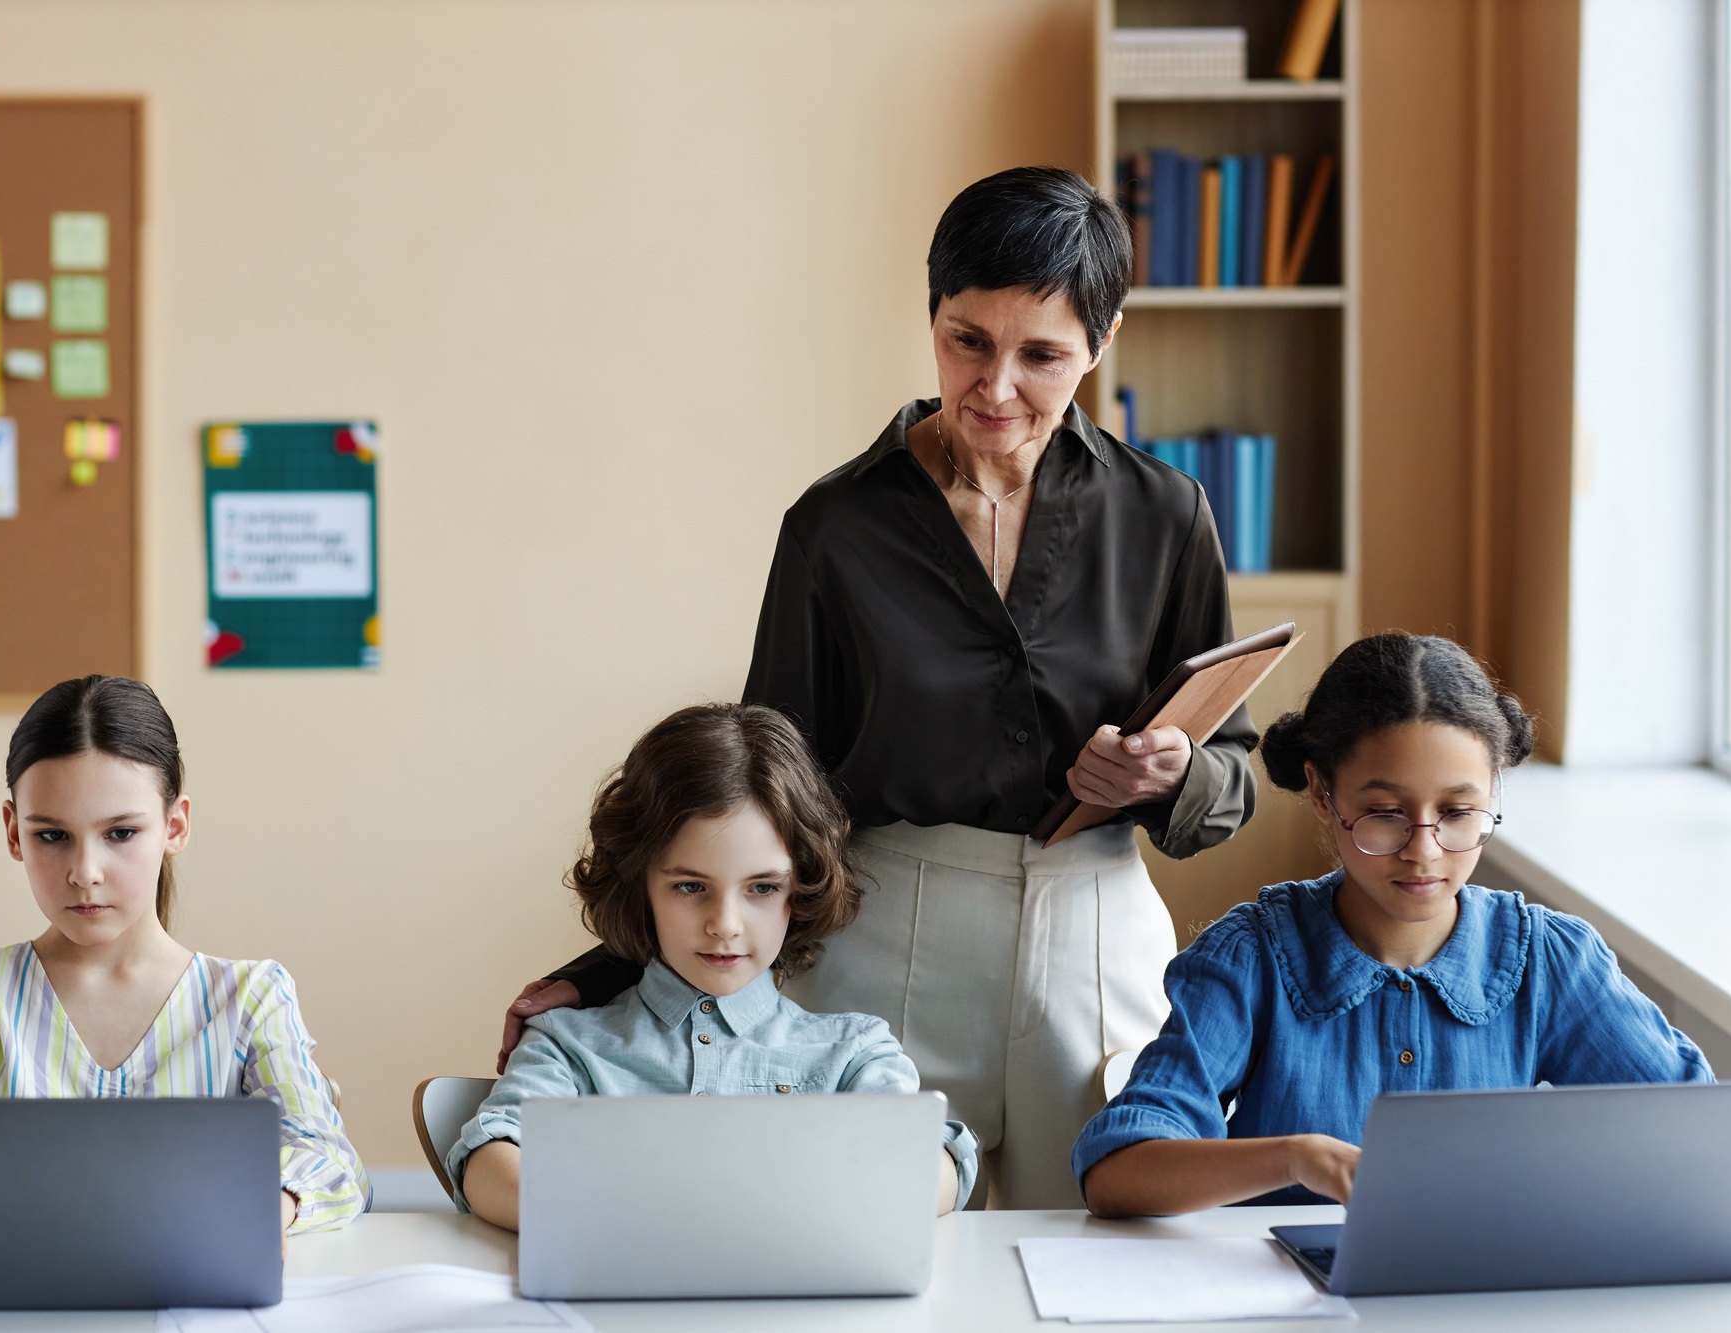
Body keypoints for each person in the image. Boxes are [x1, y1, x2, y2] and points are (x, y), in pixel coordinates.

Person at [501, 166, 1253, 1208]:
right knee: (869, 1248)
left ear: (1102, 340)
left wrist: (1170, 775)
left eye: (1039, 355)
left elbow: (1234, 775)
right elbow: (753, 792)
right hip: (881, 933)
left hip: (1094, 936)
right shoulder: (833, 528)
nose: (994, 387)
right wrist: (607, 970)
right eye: (965, 341)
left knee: (1097, 1262)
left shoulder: (1165, 514)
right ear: (931, 317)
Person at [1073, 634, 1713, 1217]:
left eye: (1460, 812)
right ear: (1323, 794)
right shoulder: (1252, 957)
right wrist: (1297, 1158)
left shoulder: (1550, 960)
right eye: (1384, 812)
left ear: (1494, 790)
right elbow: (1117, 1171)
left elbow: (1697, 1129)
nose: (1424, 850)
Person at [0, 675, 369, 1237]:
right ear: (13, 833)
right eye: (52, 836)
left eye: (121, 833)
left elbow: (332, 1164)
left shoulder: (251, 999)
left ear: (175, 827)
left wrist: (271, 1203)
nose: (85, 872)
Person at [452, 703, 979, 1230]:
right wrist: (634, 1217)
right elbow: (487, 1159)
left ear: (799, 891)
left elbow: (939, 1165)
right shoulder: (568, 1046)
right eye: (690, 887)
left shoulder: (853, 1055)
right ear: (640, 887)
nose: (724, 924)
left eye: (762, 888)